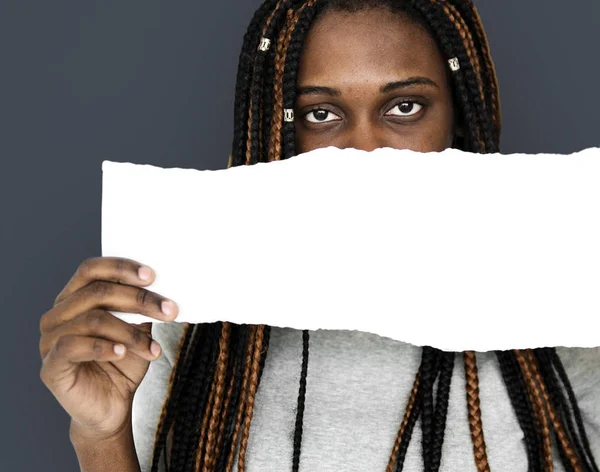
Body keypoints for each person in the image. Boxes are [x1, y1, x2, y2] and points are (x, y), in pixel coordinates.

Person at [38, 0, 600, 471]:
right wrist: (100, 435)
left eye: (404, 107)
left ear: (456, 117)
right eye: (321, 115)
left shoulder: (560, 298)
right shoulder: (187, 315)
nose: (364, 151)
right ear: (277, 132)